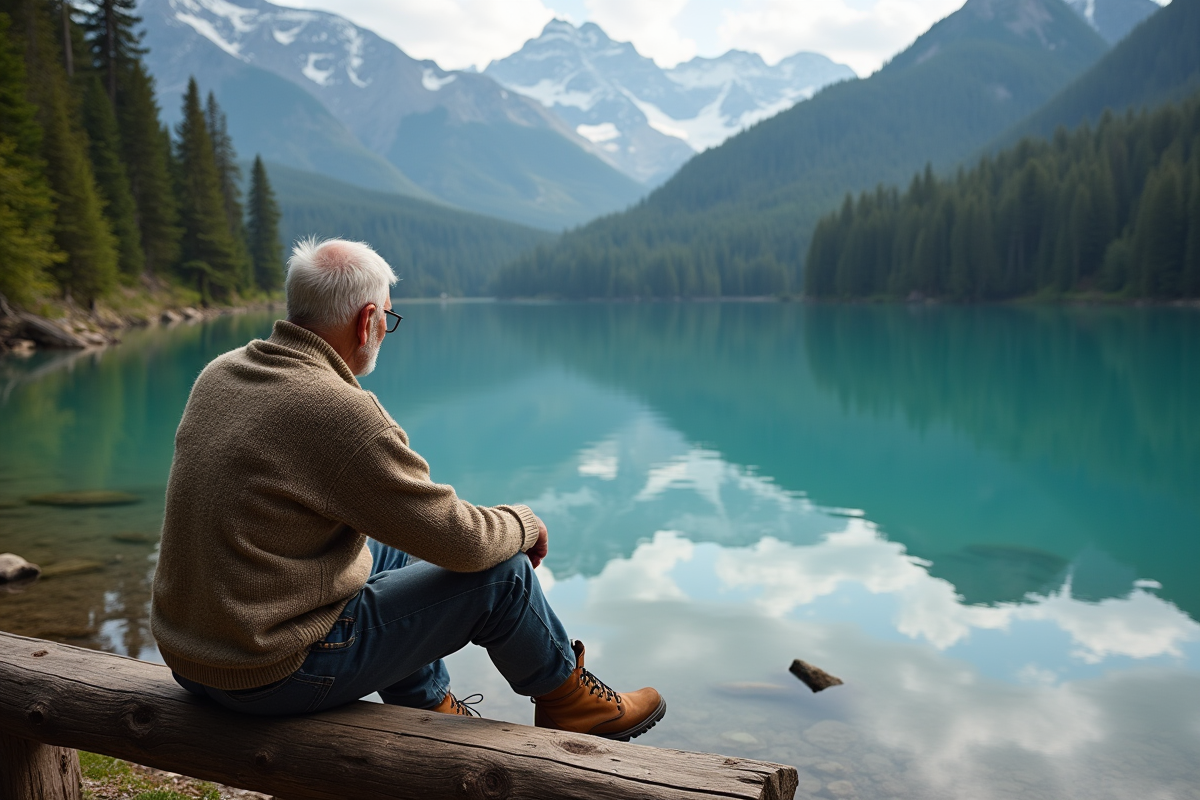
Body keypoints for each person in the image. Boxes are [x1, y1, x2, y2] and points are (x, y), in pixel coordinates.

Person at [149, 237, 665, 741]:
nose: (386, 331)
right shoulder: (337, 411)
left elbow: (422, 528)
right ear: (367, 320)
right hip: (272, 677)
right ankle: (568, 700)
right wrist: (524, 523)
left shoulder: (223, 372)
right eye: (389, 320)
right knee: (501, 575)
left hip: (194, 660)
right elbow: (464, 544)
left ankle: (430, 705)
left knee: (390, 548)